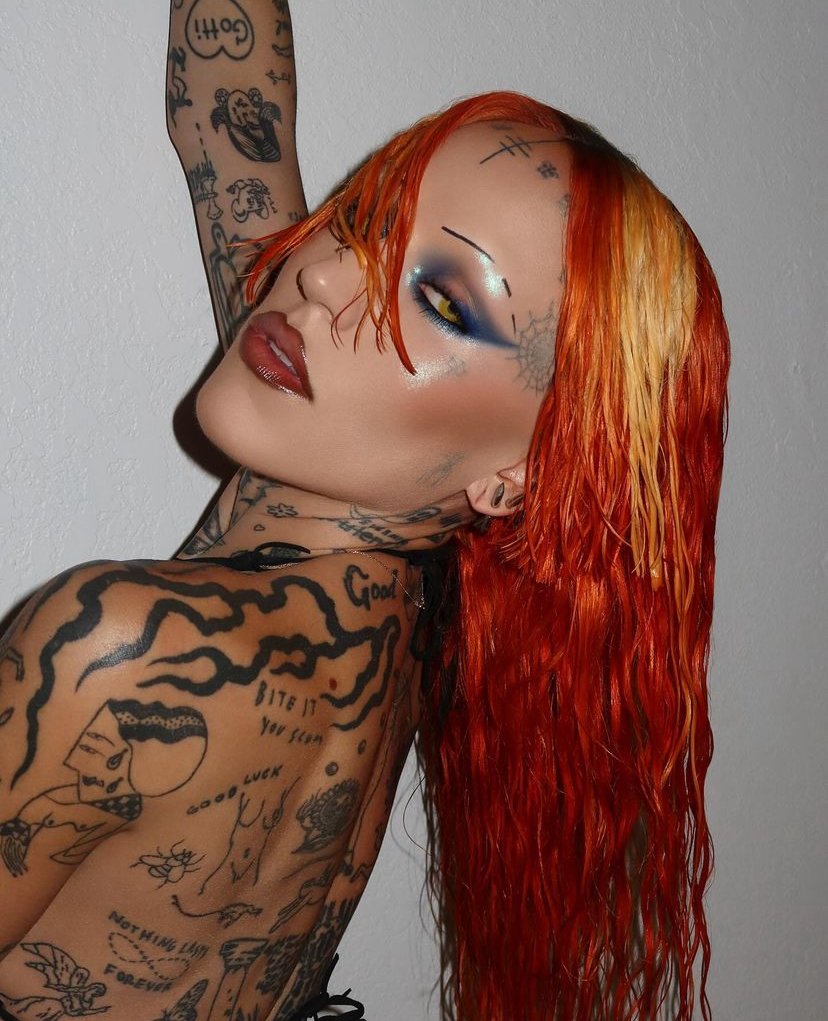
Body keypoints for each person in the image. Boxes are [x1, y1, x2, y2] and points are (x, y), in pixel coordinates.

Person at [0, 2, 730, 1020]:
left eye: (443, 301)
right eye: (366, 217)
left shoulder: (118, 649)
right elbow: (231, 110)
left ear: (516, 475)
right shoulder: (410, 609)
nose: (320, 272)